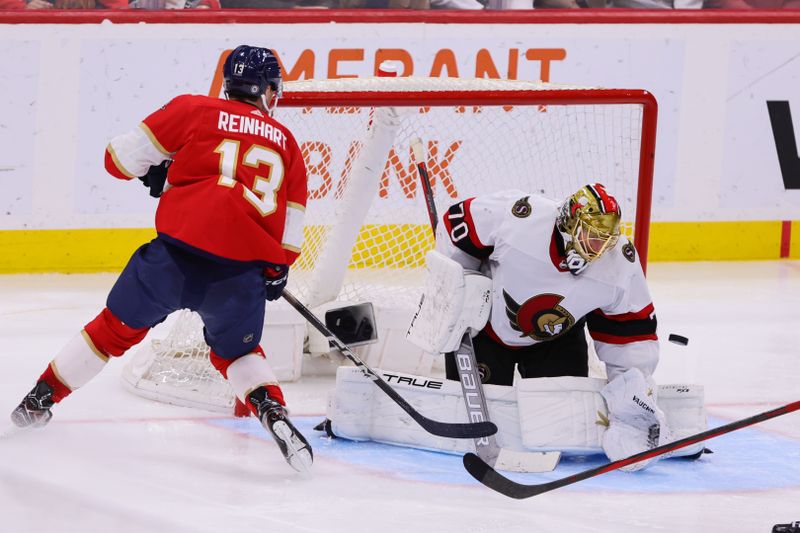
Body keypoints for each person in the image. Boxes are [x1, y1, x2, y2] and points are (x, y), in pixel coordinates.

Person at [10, 45, 312, 473]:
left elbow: (116, 159)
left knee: (111, 331)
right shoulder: (287, 144)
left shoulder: (194, 109)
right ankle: (272, 411)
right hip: (237, 276)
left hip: (172, 261)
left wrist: (157, 172)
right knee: (237, 355)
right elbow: (291, 235)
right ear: (265, 90)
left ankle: (39, 399)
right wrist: (276, 270)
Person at [434, 184, 670, 469]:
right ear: (568, 222)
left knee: (560, 434)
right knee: (470, 423)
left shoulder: (619, 264)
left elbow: (631, 332)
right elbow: (456, 224)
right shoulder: (521, 219)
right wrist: (461, 283)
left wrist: (630, 396)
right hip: (485, 332)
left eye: (605, 239)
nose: (598, 247)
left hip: (558, 342)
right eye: (591, 234)